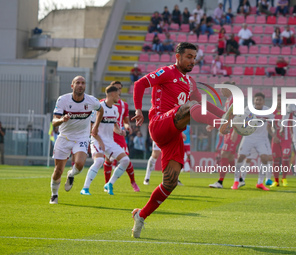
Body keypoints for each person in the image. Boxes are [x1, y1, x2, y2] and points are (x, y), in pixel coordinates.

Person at [131, 42, 229, 238]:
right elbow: (139, 84)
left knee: (171, 182)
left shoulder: (190, 82)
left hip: (174, 133)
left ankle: (141, 215)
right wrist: (137, 110)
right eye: (188, 57)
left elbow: (203, 103)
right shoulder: (167, 72)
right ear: (178, 57)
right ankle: (219, 125)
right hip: (159, 122)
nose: (192, 61)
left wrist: (226, 115)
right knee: (189, 106)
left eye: (194, 58)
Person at [49, 76, 104, 204]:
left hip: (82, 137)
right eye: (77, 83)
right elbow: (54, 121)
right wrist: (62, 119)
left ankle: (71, 174)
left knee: (79, 164)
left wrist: (95, 126)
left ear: (85, 86)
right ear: (72, 86)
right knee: (58, 171)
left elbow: (100, 111)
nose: (80, 85)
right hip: (64, 137)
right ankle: (54, 195)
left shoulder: (92, 101)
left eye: (83, 83)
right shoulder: (63, 100)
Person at [80, 85, 129, 195]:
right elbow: (91, 128)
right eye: (117, 94)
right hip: (97, 140)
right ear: (112, 94)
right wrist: (100, 141)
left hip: (109, 142)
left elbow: (115, 127)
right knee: (99, 161)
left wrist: (120, 131)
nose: (119, 97)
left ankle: (109, 183)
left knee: (126, 160)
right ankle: (85, 188)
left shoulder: (115, 109)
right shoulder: (99, 107)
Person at [231, 92, 276, 191]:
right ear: (254, 101)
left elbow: (272, 123)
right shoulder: (248, 109)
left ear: (263, 101)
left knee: (265, 158)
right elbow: (238, 120)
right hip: (248, 137)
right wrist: (235, 133)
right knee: (241, 157)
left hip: (261, 139)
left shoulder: (267, 111)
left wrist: (274, 133)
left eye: (260, 100)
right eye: (256, 100)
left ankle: (260, 183)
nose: (258, 102)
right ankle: (236, 181)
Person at [103, 81, 140, 192]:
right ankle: (107, 184)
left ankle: (133, 182)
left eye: (119, 88)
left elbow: (126, 121)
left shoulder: (124, 105)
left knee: (126, 160)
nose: (118, 90)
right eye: (115, 88)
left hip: (119, 135)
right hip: (107, 135)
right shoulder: (102, 103)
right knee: (108, 160)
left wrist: (127, 127)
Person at [209, 84, 243, 189]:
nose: (220, 92)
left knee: (224, 153)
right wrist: (214, 124)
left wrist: (235, 132)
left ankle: (220, 182)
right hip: (228, 130)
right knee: (230, 157)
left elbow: (238, 116)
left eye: (222, 89)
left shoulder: (235, 99)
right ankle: (240, 180)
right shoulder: (229, 100)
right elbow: (226, 116)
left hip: (233, 130)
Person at [270, 94, 292, 187]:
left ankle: (284, 178)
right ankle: (276, 181)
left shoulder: (288, 112)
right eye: (277, 100)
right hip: (276, 138)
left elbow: (292, 124)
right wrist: (273, 135)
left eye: (281, 100)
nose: (279, 102)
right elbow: (270, 126)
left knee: (285, 158)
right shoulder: (272, 112)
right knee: (275, 159)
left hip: (286, 138)